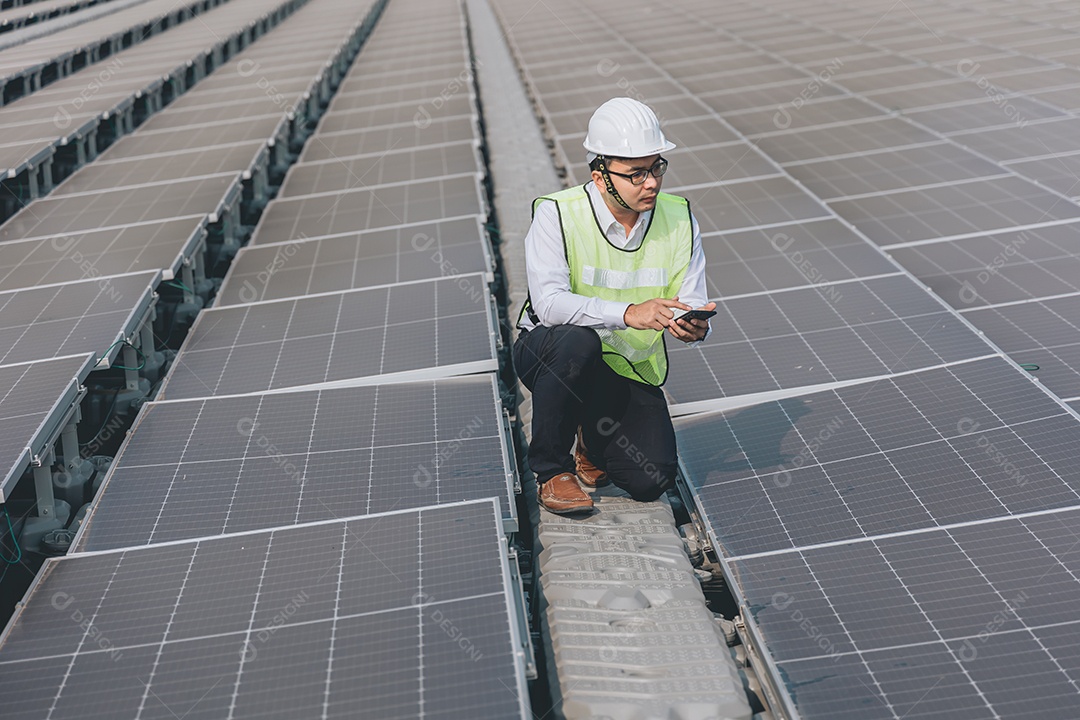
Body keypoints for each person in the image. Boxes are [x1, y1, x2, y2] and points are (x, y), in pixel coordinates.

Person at [513, 97, 715, 514]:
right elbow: (549, 305)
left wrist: (691, 326)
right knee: (576, 343)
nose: (652, 183)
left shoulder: (680, 218)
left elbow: (689, 297)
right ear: (600, 176)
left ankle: (591, 436)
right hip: (552, 354)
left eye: (656, 167)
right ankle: (552, 471)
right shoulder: (557, 214)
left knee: (649, 480)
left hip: (622, 365)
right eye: (636, 173)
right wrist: (629, 313)